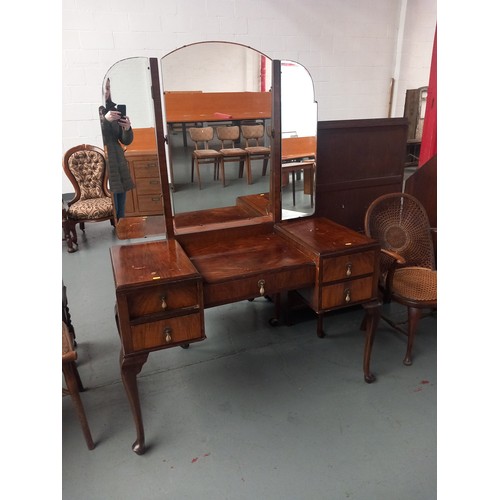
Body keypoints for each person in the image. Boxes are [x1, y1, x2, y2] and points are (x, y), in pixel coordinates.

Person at [99, 78, 134, 221]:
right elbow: (97, 136)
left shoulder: (113, 109)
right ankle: (115, 225)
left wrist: (127, 128)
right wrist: (104, 121)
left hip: (118, 157)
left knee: (121, 193)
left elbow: (125, 140)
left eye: (109, 88)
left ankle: (121, 223)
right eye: (104, 88)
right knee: (112, 192)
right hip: (104, 159)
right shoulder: (95, 111)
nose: (107, 92)